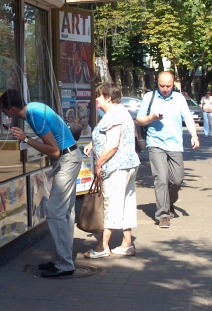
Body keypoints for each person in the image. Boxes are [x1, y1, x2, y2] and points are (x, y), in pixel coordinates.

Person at [0, 89, 82, 277]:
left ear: (13, 108)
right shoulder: (35, 107)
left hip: (66, 160)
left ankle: (64, 263)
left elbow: (54, 151)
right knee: (65, 212)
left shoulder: (33, 116)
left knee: (54, 211)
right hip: (72, 156)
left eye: (5, 111)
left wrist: (26, 139)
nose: (6, 115)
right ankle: (63, 258)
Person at [83, 83, 140, 257]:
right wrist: (94, 144)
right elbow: (112, 135)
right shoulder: (121, 112)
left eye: (99, 96)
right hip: (128, 165)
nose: (97, 99)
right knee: (126, 205)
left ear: (108, 97)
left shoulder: (114, 114)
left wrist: (98, 164)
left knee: (111, 206)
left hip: (116, 167)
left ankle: (103, 246)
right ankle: (127, 244)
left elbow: (113, 144)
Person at [136, 71, 199, 228]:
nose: (165, 89)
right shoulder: (149, 97)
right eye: (162, 86)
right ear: (157, 83)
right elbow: (139, 119)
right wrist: (152, 117)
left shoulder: (179, 98)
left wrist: (194, 135)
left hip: (175, 144)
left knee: (177, 179)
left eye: (168, 86)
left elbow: (188, 118)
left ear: (173, 84)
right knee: (161, 179)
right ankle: (163, 215)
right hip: (155, 143)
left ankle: (169, 201)